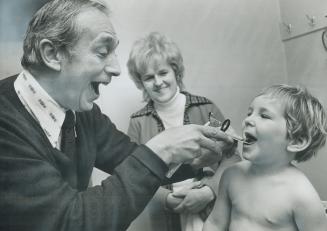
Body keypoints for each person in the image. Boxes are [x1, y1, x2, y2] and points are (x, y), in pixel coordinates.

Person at [0, 1, 235, 231]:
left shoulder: (83, 113)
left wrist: (195, 158)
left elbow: (130, 157)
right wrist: (160, 150)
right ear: (52, 54)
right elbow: (70, 222)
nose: (116, 69)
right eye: (103, 52)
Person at [126, 32, 240, 231]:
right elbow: (133, 175)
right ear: (140, 82)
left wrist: (209, 191)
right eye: (149, 77)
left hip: (214, 212)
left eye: (163, 73)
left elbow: (233, 157)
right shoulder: (138, 122)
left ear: (175, 71)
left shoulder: (205, 108)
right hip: (167, 217)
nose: (158, 82)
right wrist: (167, 200)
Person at [203, 84, 327, 231]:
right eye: (249, 113)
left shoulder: (301, 195)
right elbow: (215, 223)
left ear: (296, 141)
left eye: (264, 115)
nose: (247, 120)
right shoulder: (232, 175)